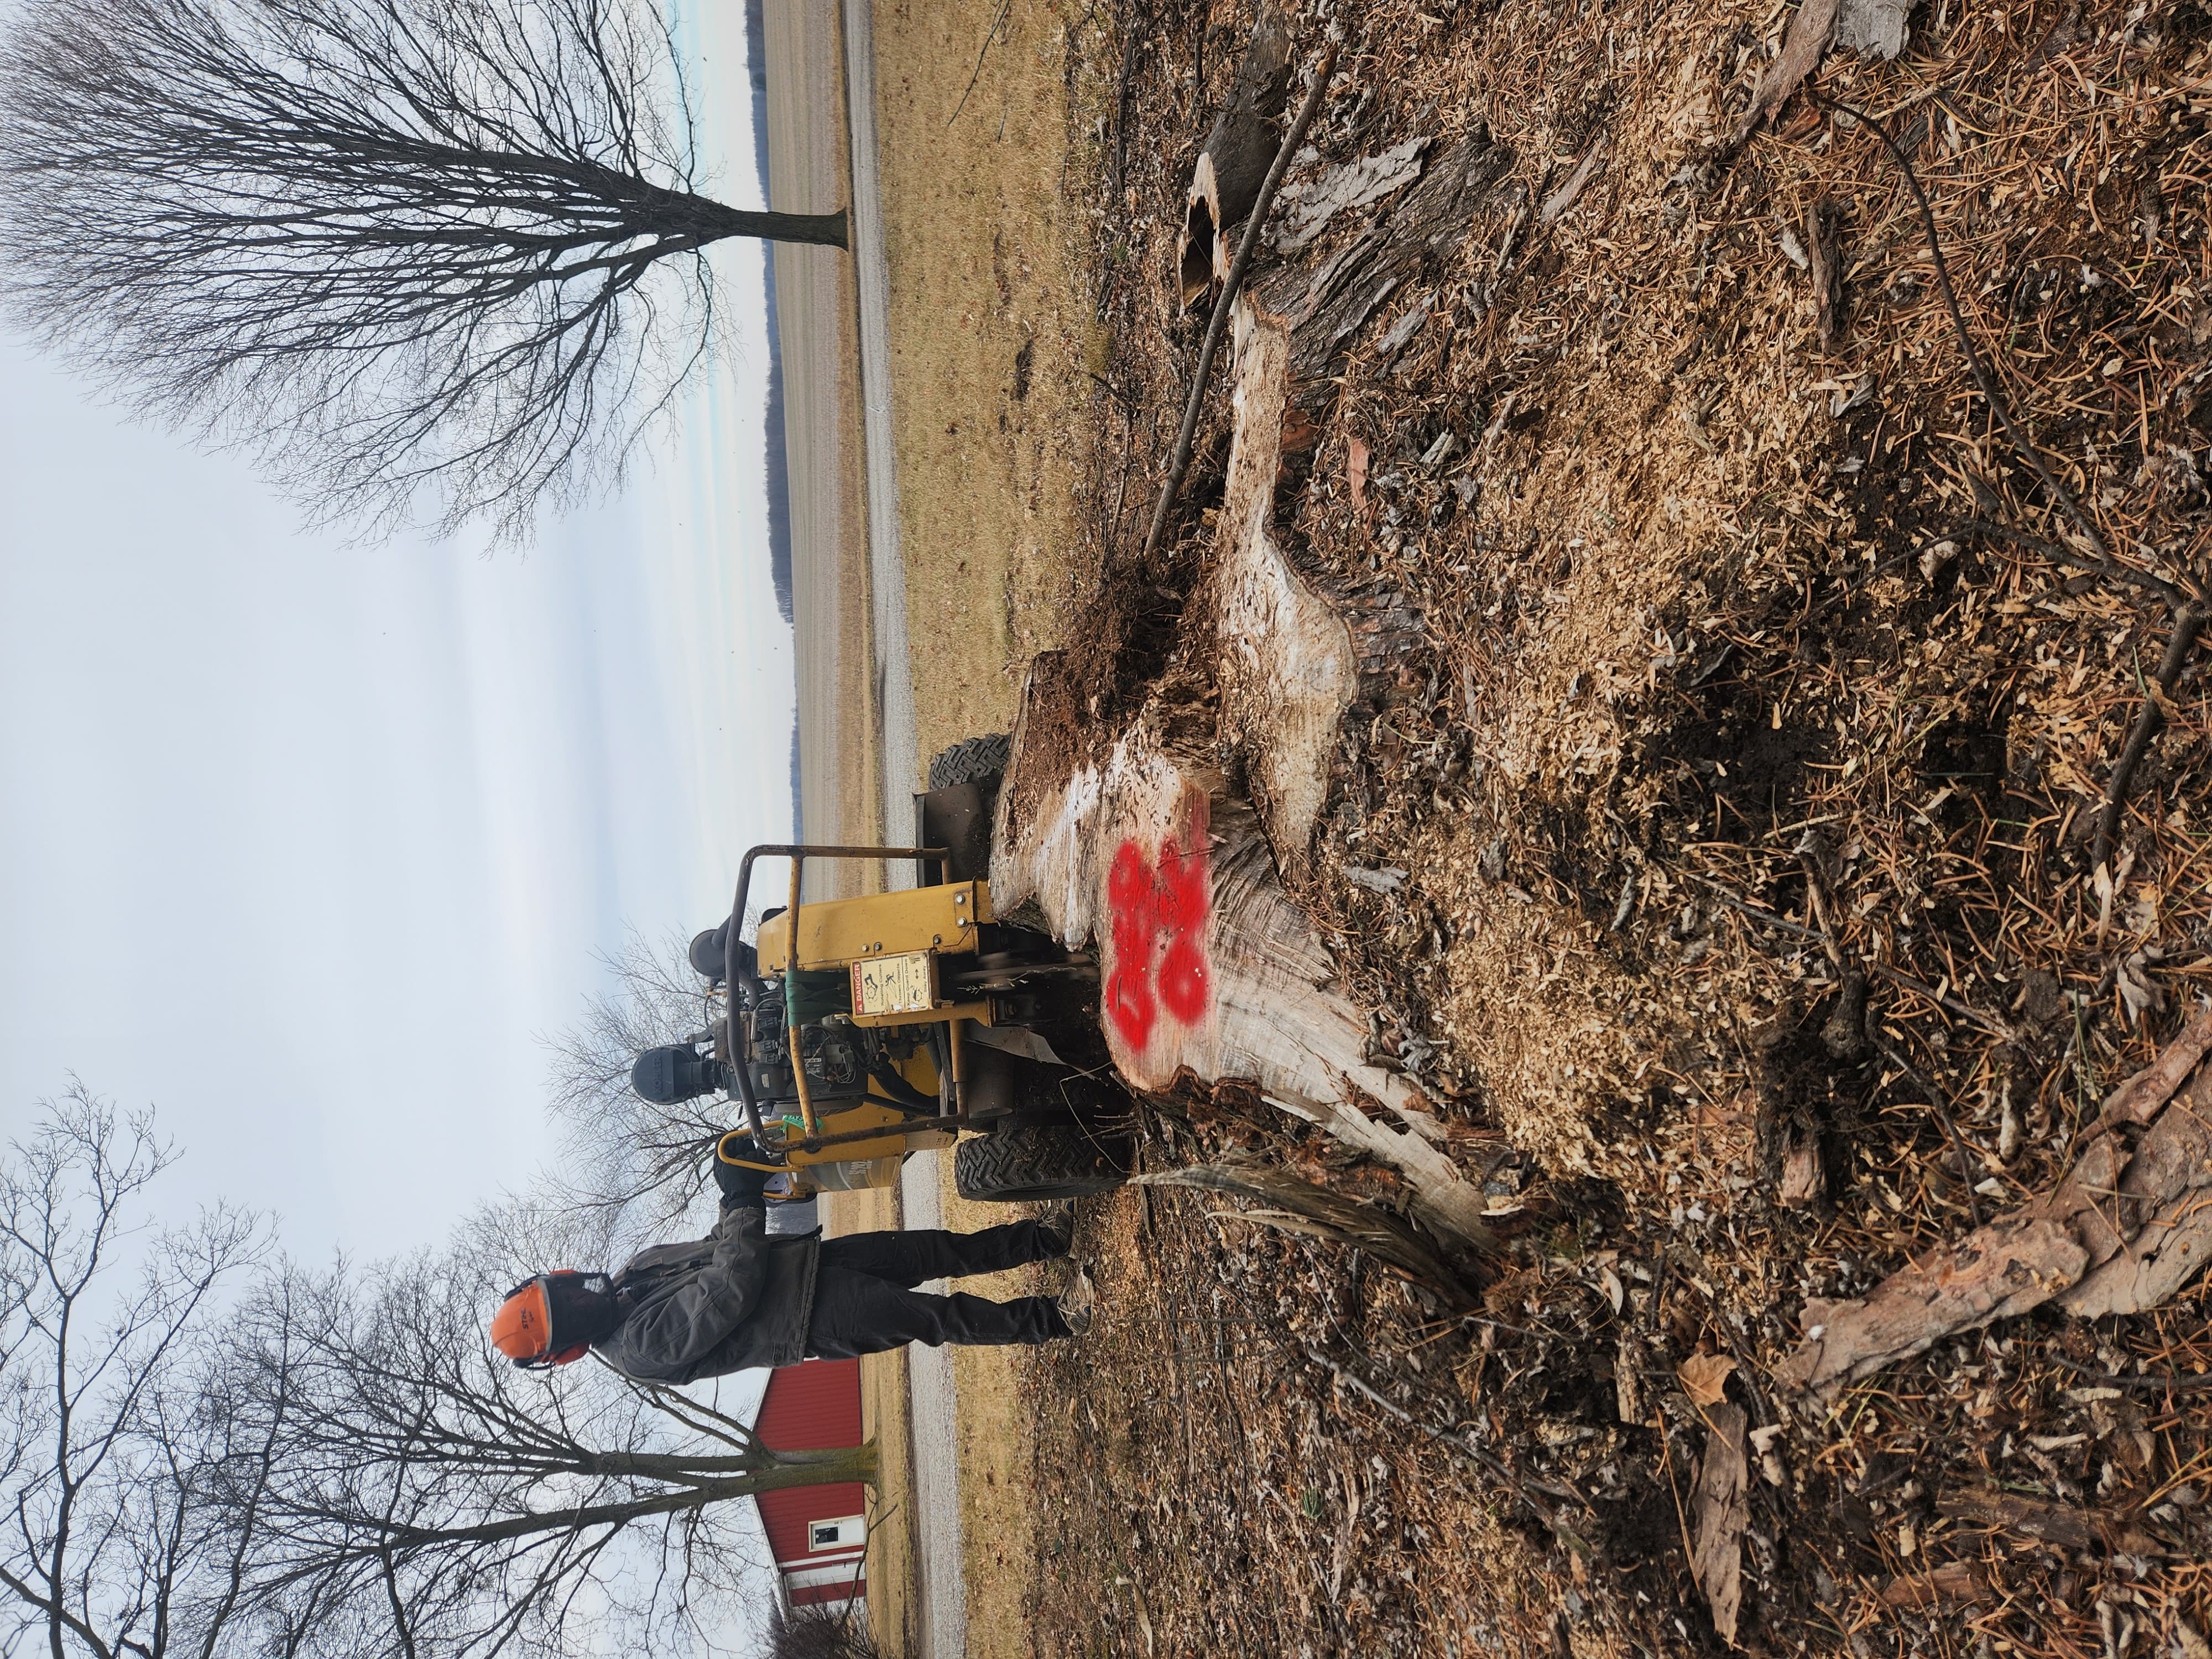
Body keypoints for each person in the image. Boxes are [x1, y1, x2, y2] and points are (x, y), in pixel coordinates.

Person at [488, 1148, 1089, 1381]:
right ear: (565, 1350)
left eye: (558, 1295)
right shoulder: (640, 1348)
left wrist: (744, 1181)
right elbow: (730, 1289)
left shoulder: (636, 1272)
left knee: (937, 1249)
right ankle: (1057, 1319)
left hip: (808, 1263)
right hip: (812, 1318)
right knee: (936, 1316)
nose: (574, 1300)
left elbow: (718, 1246)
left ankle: (1041, 1241)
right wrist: (740, 1200)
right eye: (564, 1315)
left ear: (558, 1279)